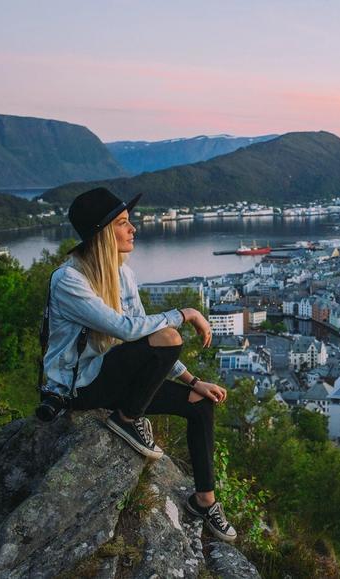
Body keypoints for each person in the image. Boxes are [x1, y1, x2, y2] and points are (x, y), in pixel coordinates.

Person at [42, 187, 237, 542]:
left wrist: (194, 382)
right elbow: (127, 330)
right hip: (81, 386)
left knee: (201, 403)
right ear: (102, 233)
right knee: (170, 335)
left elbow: (144, 338)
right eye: (122, 223)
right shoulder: (70, 280)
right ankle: (127, 420)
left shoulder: (123, 275)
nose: (133, 229)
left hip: (115, 377)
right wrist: (185, 313)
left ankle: (203, 501)